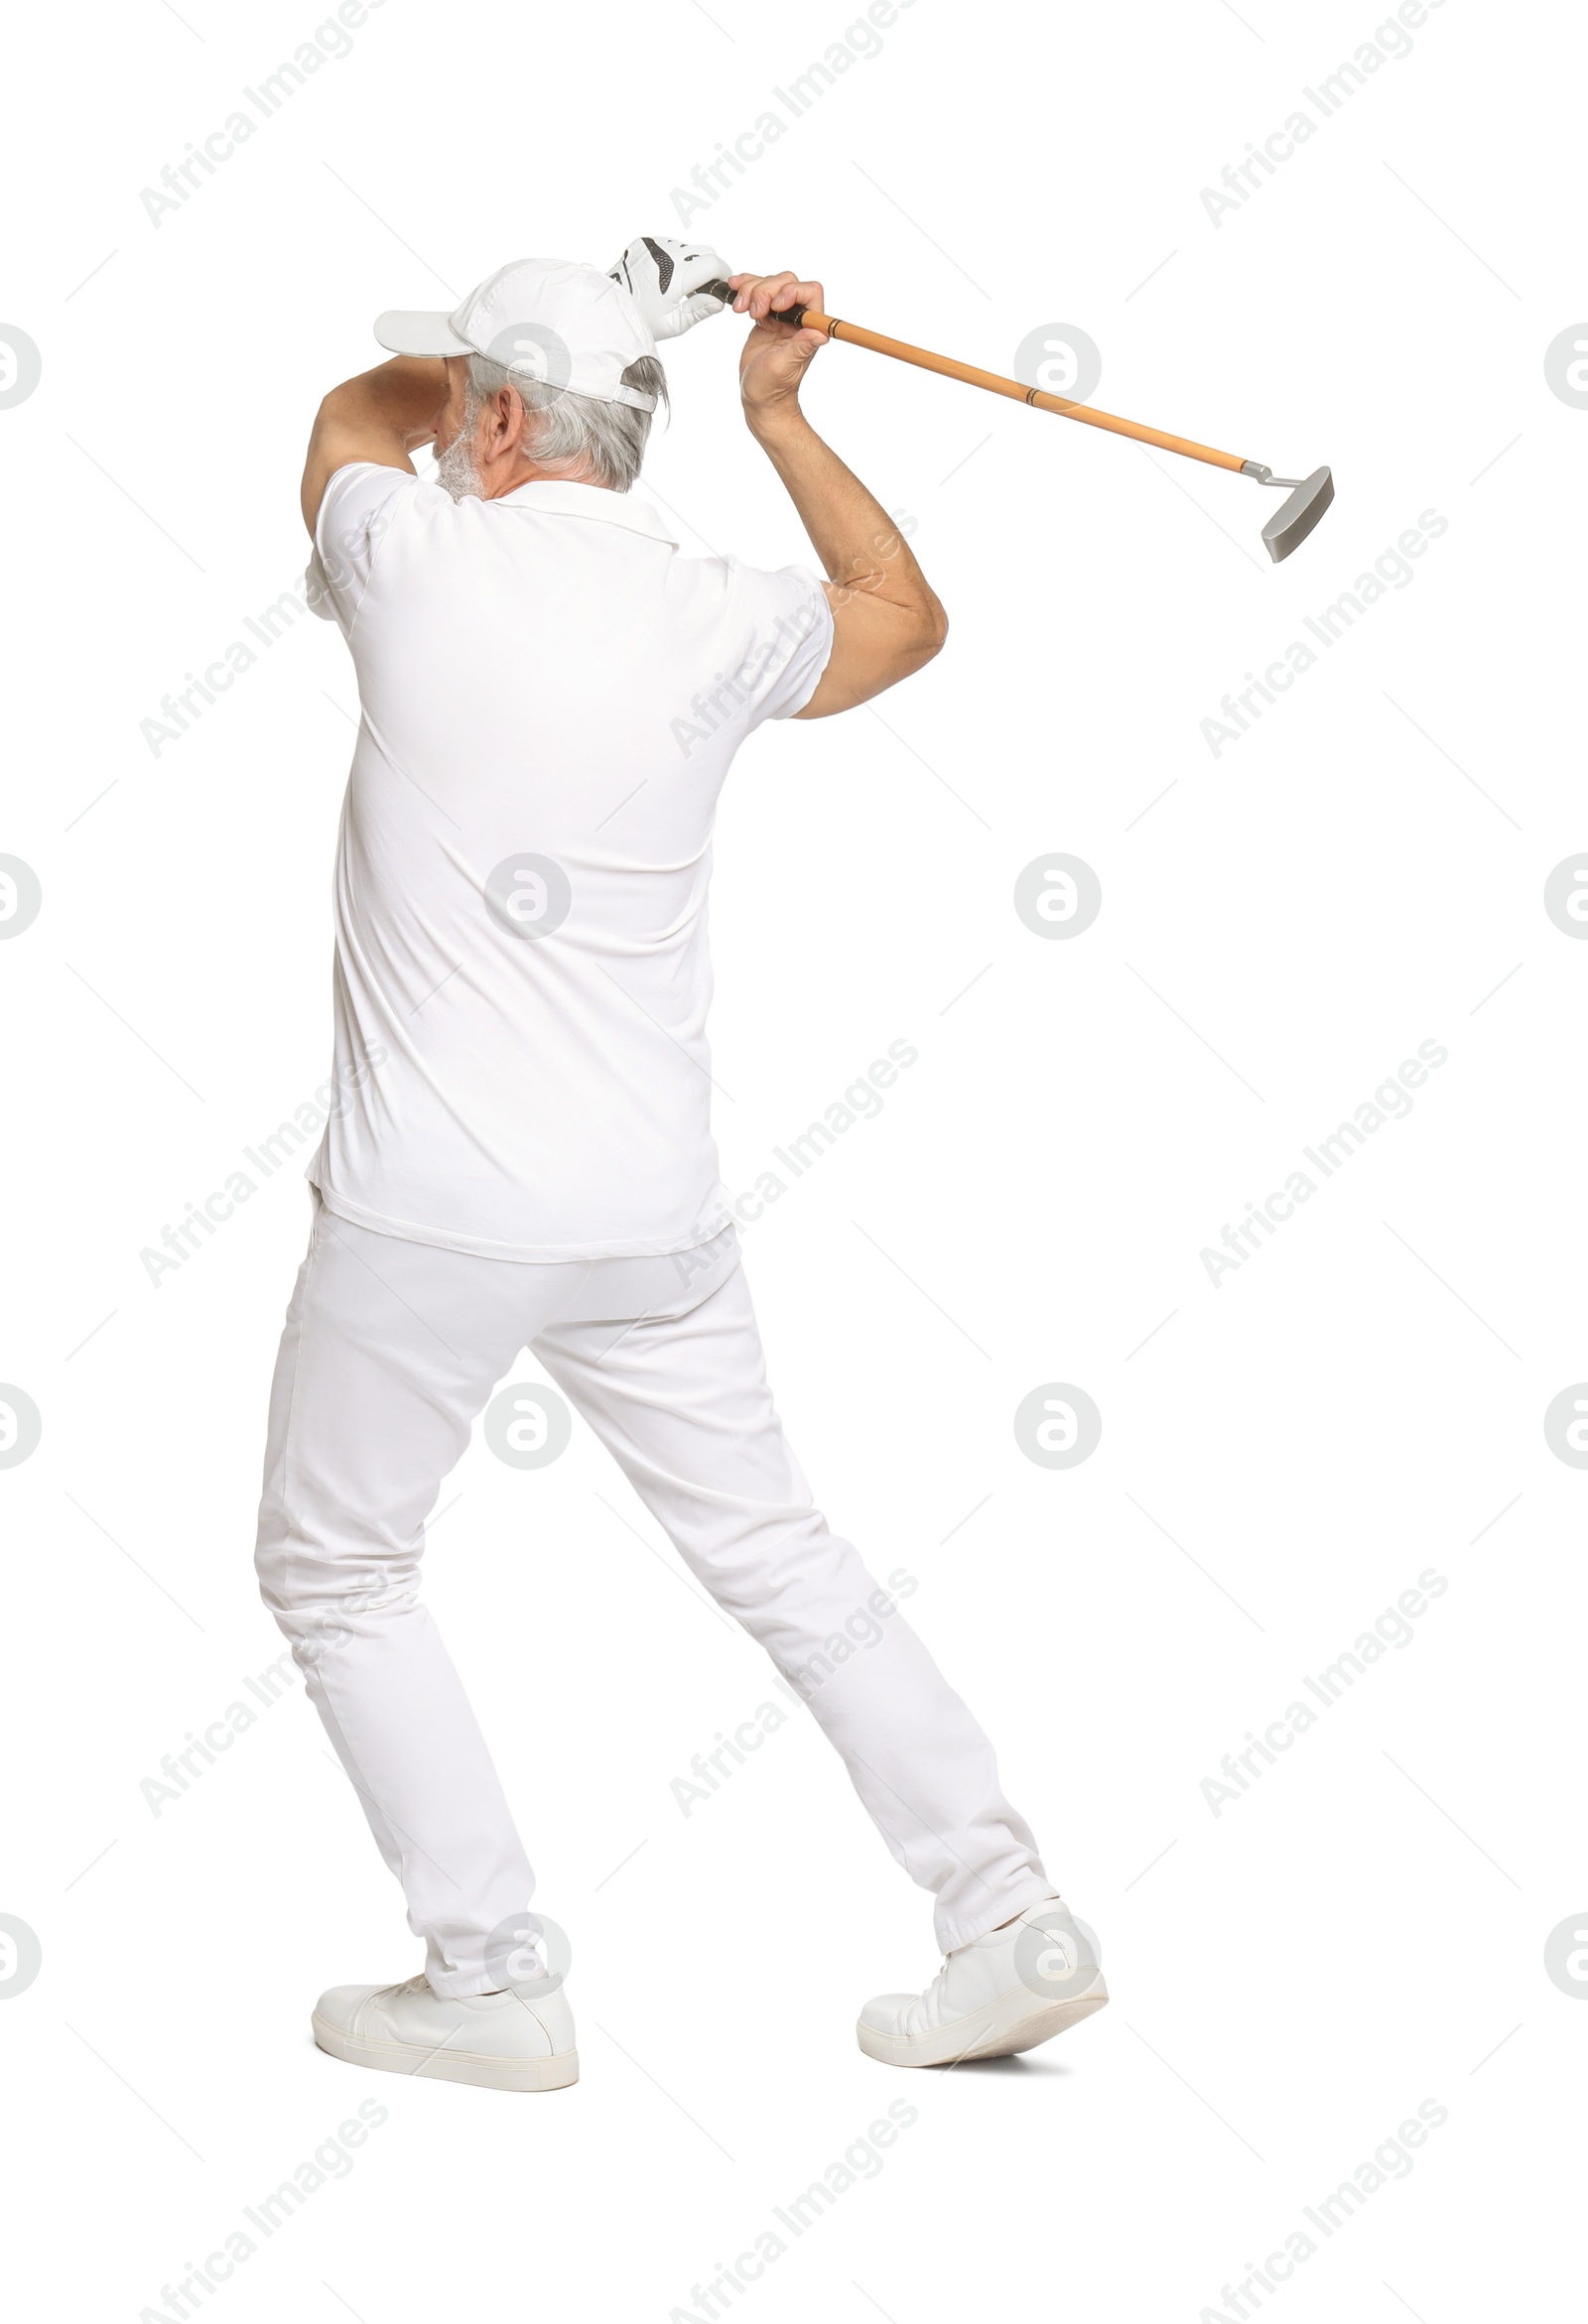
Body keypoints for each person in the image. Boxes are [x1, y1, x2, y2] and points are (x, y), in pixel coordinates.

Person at [254, 239, 1106, 2091]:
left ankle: (489, 1977)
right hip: (650, 1220)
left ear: (484, 419)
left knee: (335, 1569)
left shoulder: (409, 553)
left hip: (427, 1218)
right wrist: (768, 410)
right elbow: (903, 613)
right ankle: (1007, 1911)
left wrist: (553, 346)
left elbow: (342, 416)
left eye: (470, 398)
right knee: (781, 1550)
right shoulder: (715, 610)